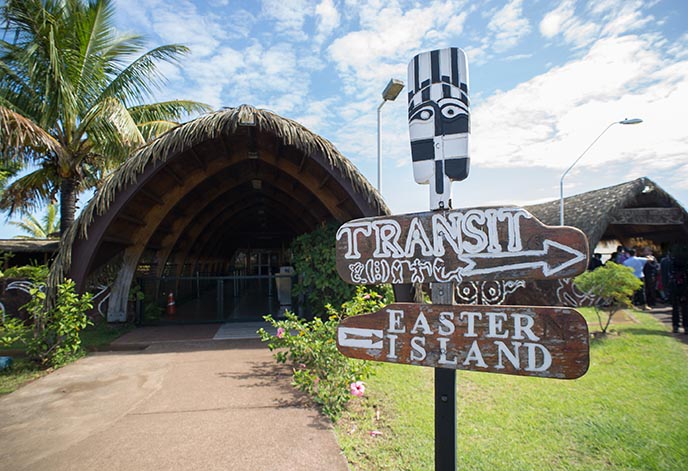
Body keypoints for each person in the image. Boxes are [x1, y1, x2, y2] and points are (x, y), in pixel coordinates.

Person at [669, 246, 688, 334]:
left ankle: (676, 325)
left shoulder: (671, 265)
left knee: (675, 307)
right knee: (685, 307)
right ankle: (686, 326)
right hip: (684, 287)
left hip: (674, 287)